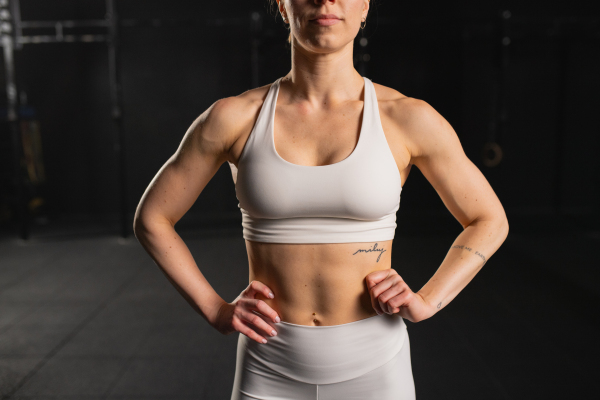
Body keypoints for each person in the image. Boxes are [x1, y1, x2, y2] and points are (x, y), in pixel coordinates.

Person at [133, 0, 509, 399]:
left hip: (377, 365)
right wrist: (215, 309)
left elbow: (489, 219)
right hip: (268, 364)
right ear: (282, 5)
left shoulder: (407, 118)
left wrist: (428, 301)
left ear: (365, 7)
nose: (325, 1)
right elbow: (152, 218)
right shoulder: (234, 118)